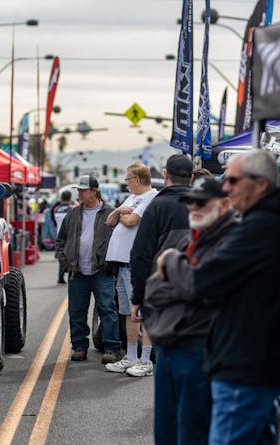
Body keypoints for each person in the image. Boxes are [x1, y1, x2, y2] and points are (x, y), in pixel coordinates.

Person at [189, 150, 280, 445]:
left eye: (232, 180)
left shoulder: (262, 225)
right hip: (256, 363)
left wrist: (172, 263)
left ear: (260, 184)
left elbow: (203, 281)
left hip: (245, 367)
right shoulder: (271, 221)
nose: (225, 187)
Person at [144, 177, 240, 444]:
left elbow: (200, 287)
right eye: (190, 202)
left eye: (201, 202)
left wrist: (172, 263)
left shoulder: (232, 239)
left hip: (199, 351)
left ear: (224, 205)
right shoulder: (191, 238)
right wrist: (184, 282)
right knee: (166, 433)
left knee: (192, 434)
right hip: (169, 351)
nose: (194, 207)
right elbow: (153, 290)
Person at [54, 175, 121, 363]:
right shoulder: (73, 214)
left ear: (94, 191)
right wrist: (65, 262)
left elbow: (120, 240)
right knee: (77, 311)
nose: (79, 193)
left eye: (83, 190)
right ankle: (79, 347)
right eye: (79, 190)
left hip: (102, 272)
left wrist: (111, 264)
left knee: (108, 310)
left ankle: (112, 348)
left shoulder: (111, 213)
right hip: (77, 273)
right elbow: (60, 241)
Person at [103, 162, 158, 377]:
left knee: (142, 312)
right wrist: (119, 211)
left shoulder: (150, 197)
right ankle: (132, 356)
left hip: (136, 264)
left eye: (127, 179)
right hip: (122, 264)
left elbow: (132, 221)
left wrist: (122, 216)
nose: (126, 183)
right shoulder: (131, 198)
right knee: (128, 313)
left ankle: (145, 360)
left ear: (137, 180)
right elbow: (110, 221)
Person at [129, 154, 193, 329]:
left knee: (161, 342)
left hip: (162, 293)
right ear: (192, 177)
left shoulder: (157, 207)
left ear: (165, 175)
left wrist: (137, 298)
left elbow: (140, 254)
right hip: (198, 292)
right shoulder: (207, 206)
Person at [52, 190, 75, 284]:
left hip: (59, 233)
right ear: (70, 198)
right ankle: (70, 274)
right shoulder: (72, 208)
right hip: (70, 234)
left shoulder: (56, 209)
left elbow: (53, 220)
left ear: (61, 198)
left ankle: (60, 276)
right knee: (71, 254)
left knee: (61, 255)